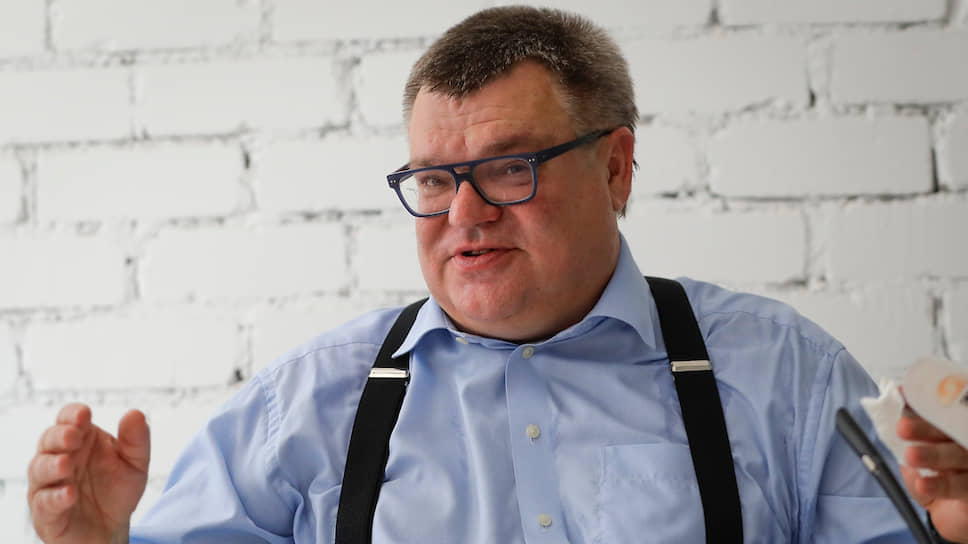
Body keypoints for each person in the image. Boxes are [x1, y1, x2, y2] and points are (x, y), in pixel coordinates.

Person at [26, 6, 968, 543]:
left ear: (615, 167)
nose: (465, 215)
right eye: (435, 179)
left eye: (510, 169)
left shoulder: (786, 380)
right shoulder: (306, 410)